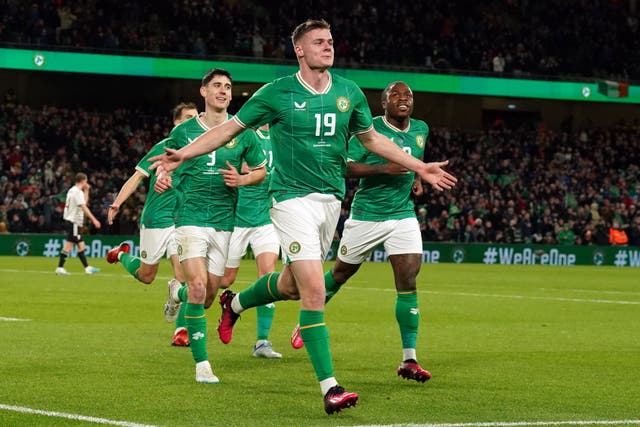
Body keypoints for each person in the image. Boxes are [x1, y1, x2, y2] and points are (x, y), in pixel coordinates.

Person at [150, 19, 456, 414]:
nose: (328, 47)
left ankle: (236, 304)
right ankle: (330, 387)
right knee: (314, 290)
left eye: (330, 41)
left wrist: (419, 166)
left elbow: (373, 140)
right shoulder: (277, 93)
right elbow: (229, 130)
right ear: (300, 50)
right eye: (318, 42)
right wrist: (185, 153)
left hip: (330, 203)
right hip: (290, 200)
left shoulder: (349, 93)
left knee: (293, 285)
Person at [291, 81, 433, 384]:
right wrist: (384, 169)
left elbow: (412, 162)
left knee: (408, 279)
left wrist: (417, 177)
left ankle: (409, 359)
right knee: (341, 273)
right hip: (367, 215)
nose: (403, 98)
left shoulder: (421, 129)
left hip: (403, 215)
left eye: (408, 95)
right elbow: (345, 166)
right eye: (395, 95)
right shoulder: (369, 131)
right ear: (383, 103)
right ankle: (310, 314)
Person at [155, 68, 267, 384]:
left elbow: (261, 171)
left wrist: (243, 179)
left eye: (228, 87)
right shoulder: (183, 132)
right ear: (203, 92)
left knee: (205, 297)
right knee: (200, 287)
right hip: (189, 218)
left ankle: (174, 292)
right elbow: (168, 166)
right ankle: (202, 365)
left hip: (224, 222)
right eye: (217, 85)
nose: (223, 91)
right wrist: (165, 178)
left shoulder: (244, 132)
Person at [106, 102, 198, 347]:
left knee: (187, 276)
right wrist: (117, 203)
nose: (194, 121)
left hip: (184, 220)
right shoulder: (164, 148)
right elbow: (137, 175)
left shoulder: (202, 149)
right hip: (157, 218)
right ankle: (122, 254)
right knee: (147, 276)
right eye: (188, 117)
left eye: (196, 117)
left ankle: (182, 330)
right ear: (176, 123)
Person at [220, 124, 283, 359]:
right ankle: (184, 293)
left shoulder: (281, 136)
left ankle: (262, 342)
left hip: (265, 220)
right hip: (236, 220)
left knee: (267, 279)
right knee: (225, 279)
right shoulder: (244, 138)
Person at [55, 172, 101, 275]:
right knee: (80, 245)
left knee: (69, 245)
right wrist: (94, 220)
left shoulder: (72, 190)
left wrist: (87, 191)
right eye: (86, 181)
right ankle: (87, 268)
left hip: (71, 221)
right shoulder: (77, 192)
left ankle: (60, 267)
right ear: (83, 181)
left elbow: (83, 202)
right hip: (74, 222)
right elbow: (83, 207)